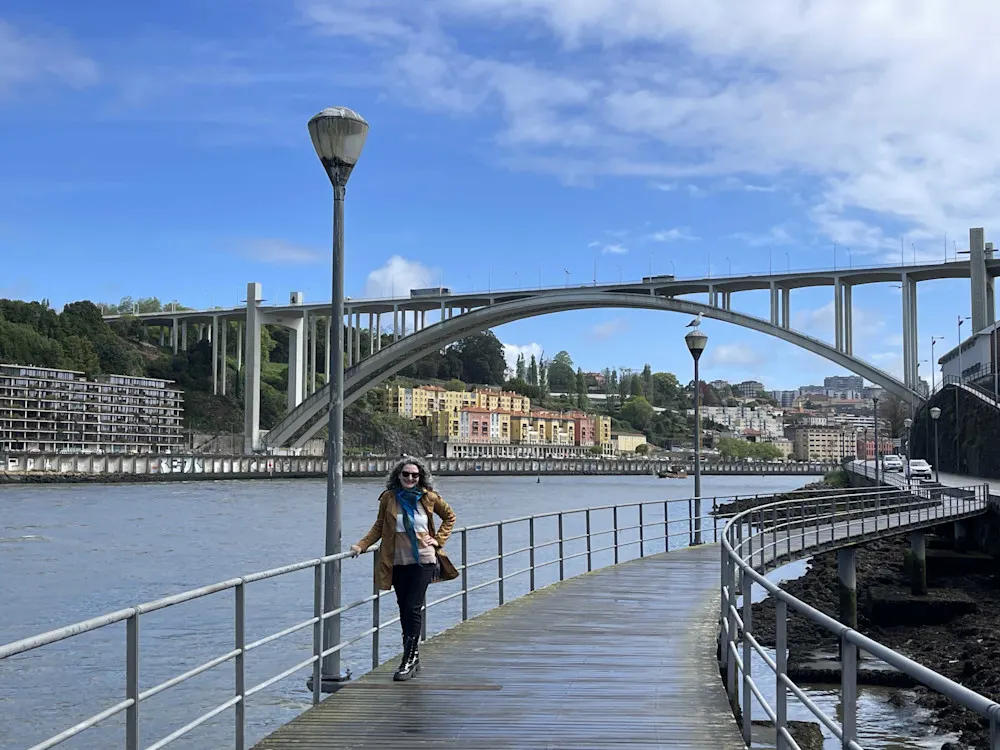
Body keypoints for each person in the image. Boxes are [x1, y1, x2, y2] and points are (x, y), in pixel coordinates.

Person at [351, 456, 458, 681]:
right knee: (403, 608)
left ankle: (407, 660)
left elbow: (449, 517)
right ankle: (414, 657)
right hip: (397, 561)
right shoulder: (389, 499)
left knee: (412, 607)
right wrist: (361, 545)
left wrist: (438, 539)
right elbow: (379, 527)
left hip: (424, 561)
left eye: (414, 475)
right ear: (398, 476)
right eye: (406, 474)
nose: (410, 478)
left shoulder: (428, 498)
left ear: (420, 477)